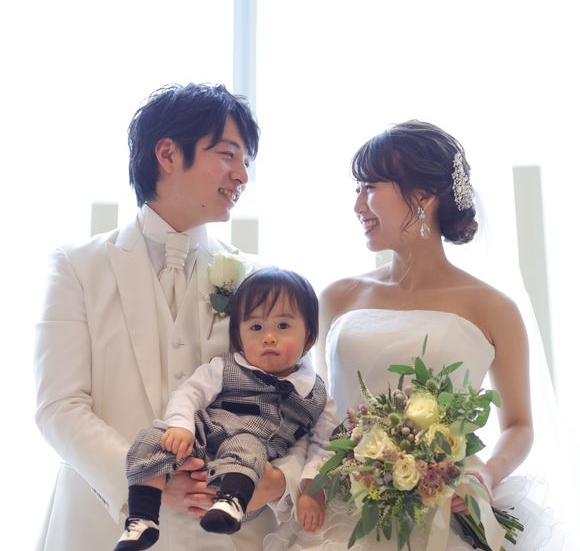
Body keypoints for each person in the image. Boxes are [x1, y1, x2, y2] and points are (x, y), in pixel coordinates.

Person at [264, 120, 562, 550]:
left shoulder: (494, 308)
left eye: (370, 187)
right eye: (357, 189)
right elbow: (322, 416)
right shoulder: (336, 297)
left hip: (447, 509)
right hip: (343, 515)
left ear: (423, 195)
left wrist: (486, 475)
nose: (358, 205)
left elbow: (519, 425)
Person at [33, 83, 307, 551]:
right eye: (228, 155)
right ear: (167, 154)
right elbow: (59, 407)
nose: (242, 175)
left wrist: (279, 481)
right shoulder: (77, 267)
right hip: (102, 525)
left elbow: (301, 400)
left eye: (246, 161)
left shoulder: (259, 278)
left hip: (230, 534)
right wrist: (146, 480)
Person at [114, 267, 336, 550]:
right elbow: (189, 393)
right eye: (256, 328)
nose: (269, 337)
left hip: (250, 474)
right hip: (202, 441)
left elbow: (323, 445)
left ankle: (230, 503)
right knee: (151, 437)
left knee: (245, 445)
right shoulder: (225, 367)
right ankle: (142, 518)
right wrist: (181, 427)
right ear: (239, 337)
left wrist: (311, 489)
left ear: (310, 337)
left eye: (283, 326)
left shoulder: (317, 395)